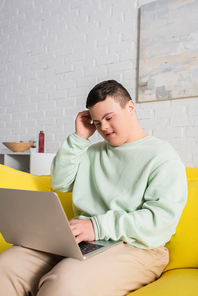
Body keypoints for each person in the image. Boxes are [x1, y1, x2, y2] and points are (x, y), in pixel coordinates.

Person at [0, 80, 187, 296]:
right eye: (97, 123)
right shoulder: (91, 152)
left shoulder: (162, 156)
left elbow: (160, 221)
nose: (103, 128)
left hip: (139, 246)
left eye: (108, 118)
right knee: (5, 268)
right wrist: (80, 138)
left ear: (130, 108)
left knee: (64, 283)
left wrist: (96, 226)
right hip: (83, 240)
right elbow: (60, 182)